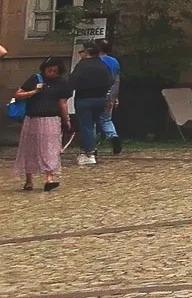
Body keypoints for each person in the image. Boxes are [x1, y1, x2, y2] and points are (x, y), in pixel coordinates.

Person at [13, 57, 70, 191]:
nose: (51, 73)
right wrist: (34, 92)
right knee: (30, 149)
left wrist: (66, 119)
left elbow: (63, 102)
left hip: (52, 119)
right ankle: (29, 180)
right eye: (49, 70)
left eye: (55, 71)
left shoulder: (62, 82)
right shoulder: (35, 79)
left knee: (50, 149)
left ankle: (49, 178)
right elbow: (18, 94)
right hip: (32, 118)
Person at [67, 43, 115, 167]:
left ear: (86, 52)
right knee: (93, 124)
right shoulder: (103, 65)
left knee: (86, 126)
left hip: (84, 99)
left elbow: (72, 82)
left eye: (81, 52)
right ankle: (92, 148)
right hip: (101, 99)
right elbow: (111, 81)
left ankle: (89, 154)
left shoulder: (82, 65)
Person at [95, 38, 122, 155]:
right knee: (106, 119)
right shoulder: (114, 62)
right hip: (110, 94)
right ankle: (114, 137)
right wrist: (114, 97)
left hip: (96, 94)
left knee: (92, 120)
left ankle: (92, 146)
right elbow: (117, 81)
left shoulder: (94, 61)